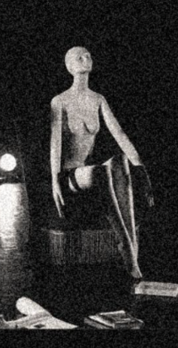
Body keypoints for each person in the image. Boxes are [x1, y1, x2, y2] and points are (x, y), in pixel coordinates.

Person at [50, 46, 154, 279]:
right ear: (69, 66)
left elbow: (120, 135)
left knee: (119, 162)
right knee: (101, 172)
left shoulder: (98, 100)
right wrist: (55, 182)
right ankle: (128, 249)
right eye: (79, 57)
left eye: (88, 56)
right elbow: (55, 145)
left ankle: (129, 246)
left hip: (91, 171)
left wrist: (141, 168)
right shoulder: (60, 101)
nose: (85, 59)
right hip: (70, 175)